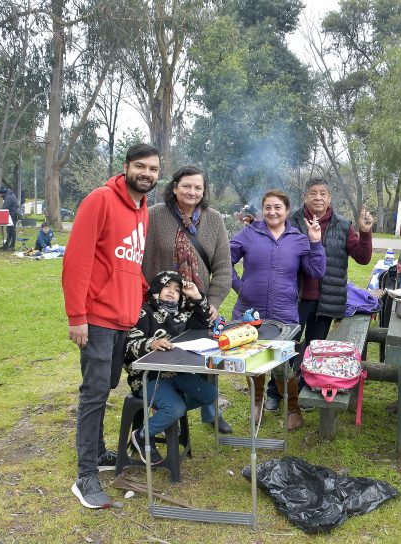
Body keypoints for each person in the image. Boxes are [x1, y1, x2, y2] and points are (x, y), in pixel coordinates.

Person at [62, 143, 160, 509]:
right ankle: (85, 474)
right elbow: (77, 261)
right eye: (140, 166)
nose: (146, 173)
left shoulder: (142, 209)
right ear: (125, 167)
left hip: (125, 317)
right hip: (98, 318)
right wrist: (77, 316)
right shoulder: (101, 200)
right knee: (94, 393)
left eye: (152, 168)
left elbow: (129, 266)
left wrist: (142, 300)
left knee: (107, 387)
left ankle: (100, 452)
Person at [264, 178, 373, 411]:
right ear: (305, 197)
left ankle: (304, 389)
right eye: (313, 193)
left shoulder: (343, 226)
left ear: (330, 198)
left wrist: (365, 234)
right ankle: (275, 391)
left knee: (314, 348)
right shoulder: (291, 222)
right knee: (286, 345)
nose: (318, 197)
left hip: (326, 299)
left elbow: (362, 259)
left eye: (323, 193)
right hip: (294, 298)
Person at [141, 166, 234, 434]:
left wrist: (213, 301)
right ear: (174, 187)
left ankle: (211, 410)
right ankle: (165, 403)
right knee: (165, 354)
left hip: (199, 303)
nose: (192, 192)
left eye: (198, 187)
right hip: (162, 305)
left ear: (204, 191)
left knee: (209, 354)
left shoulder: (214, 220)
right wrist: (150, 301)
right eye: (186, 186)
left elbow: (224, 268)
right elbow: (143, 261)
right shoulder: (155, 216)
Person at [230, 189, 325, 430]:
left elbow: (316, 271)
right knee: (253, 362)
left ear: (286, 211)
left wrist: (315, 242)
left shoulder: (298, 238)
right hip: (251, 313)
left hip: (284, 315)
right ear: (262, 210)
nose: (272, 212)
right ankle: (257, 403)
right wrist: (240, 286)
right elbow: (224, 259)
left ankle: (293, 409)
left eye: (277, 207)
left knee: (283, 366)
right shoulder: (249, 233)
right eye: (268, 207)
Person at [124, 271, 217, 465]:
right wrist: (151, 343)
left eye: (176, 290)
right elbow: (129, 344)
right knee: (175, 407)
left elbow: (205, 322)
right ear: (156, 289)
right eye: (166, 287)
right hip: (147, 376)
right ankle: (141, 435)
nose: (171, 292)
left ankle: (165, 411)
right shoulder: (144, 311)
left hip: (176, 371)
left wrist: (198, 297)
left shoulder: (182, 314)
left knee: (209, 394)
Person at [0, 185, 20, 251]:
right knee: (9, 230)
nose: (0, 196)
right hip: (11, 214)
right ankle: (6, 245)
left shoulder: (8, 197)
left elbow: (5, 207)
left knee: (12, 231)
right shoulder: (9, 194)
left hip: (13, 215)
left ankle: (12, 246)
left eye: (0, 194)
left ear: (2, 193)